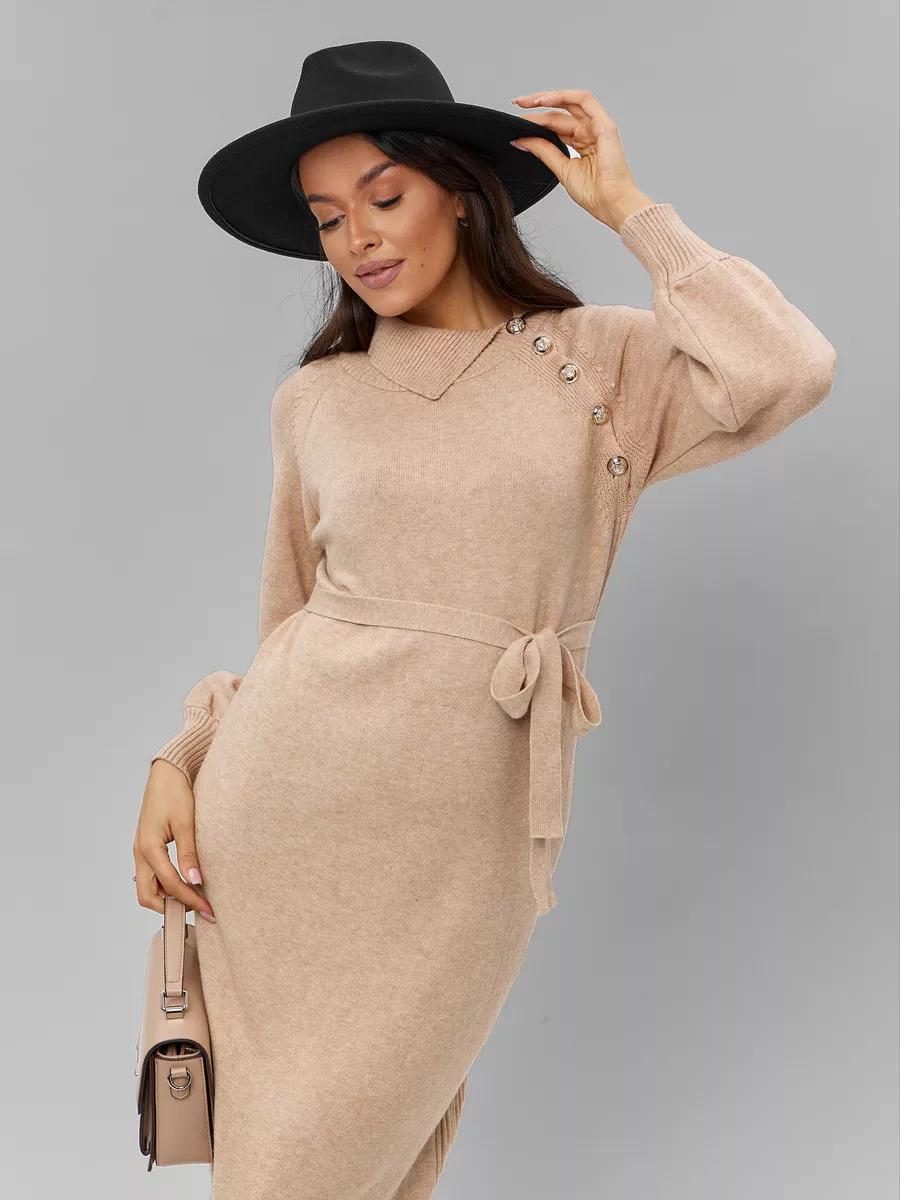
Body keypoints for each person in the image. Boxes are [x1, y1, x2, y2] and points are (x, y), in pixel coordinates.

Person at [132, 40, 837, 1200]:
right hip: (285, 820)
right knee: (297, 1171)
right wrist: (184, 754)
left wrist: (632, 212)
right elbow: (290, 623)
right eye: (326, 217)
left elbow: (788, 369)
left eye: (384, 197)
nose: (356, 239)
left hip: (473, 838)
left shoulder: (596, 365)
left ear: (460, 190)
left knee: (372, 1150)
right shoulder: (317, 400)